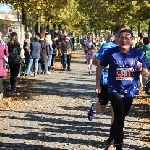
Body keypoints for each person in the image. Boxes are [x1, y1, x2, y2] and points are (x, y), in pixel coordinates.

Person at [96, 29, 149, 150]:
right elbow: (100, 66)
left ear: (131, 40)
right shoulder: (110, 52)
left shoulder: (137, 53)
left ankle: (110, 139)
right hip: (114, 89)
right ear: (117, 39)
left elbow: (146, 74)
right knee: (119, 115)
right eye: (122, 38)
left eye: (127, 38)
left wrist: (141, 68)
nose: (124, 40)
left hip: (130, 89)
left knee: (121, 116)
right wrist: (97, 83)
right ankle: (118, 145)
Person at [88, 24, 128, 122]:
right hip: (105, 81)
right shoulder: (107, 46)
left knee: (116, 109)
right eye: (121, 32)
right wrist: (106, 65)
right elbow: (94, 61)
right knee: (102, 107)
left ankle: (114, 133)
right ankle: (94, 107)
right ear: (115, 33)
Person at [0, 32, 9, 100]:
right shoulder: (4, 44)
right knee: (0, 79)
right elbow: (7, 54)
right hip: (2, 62)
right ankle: (1, 93)